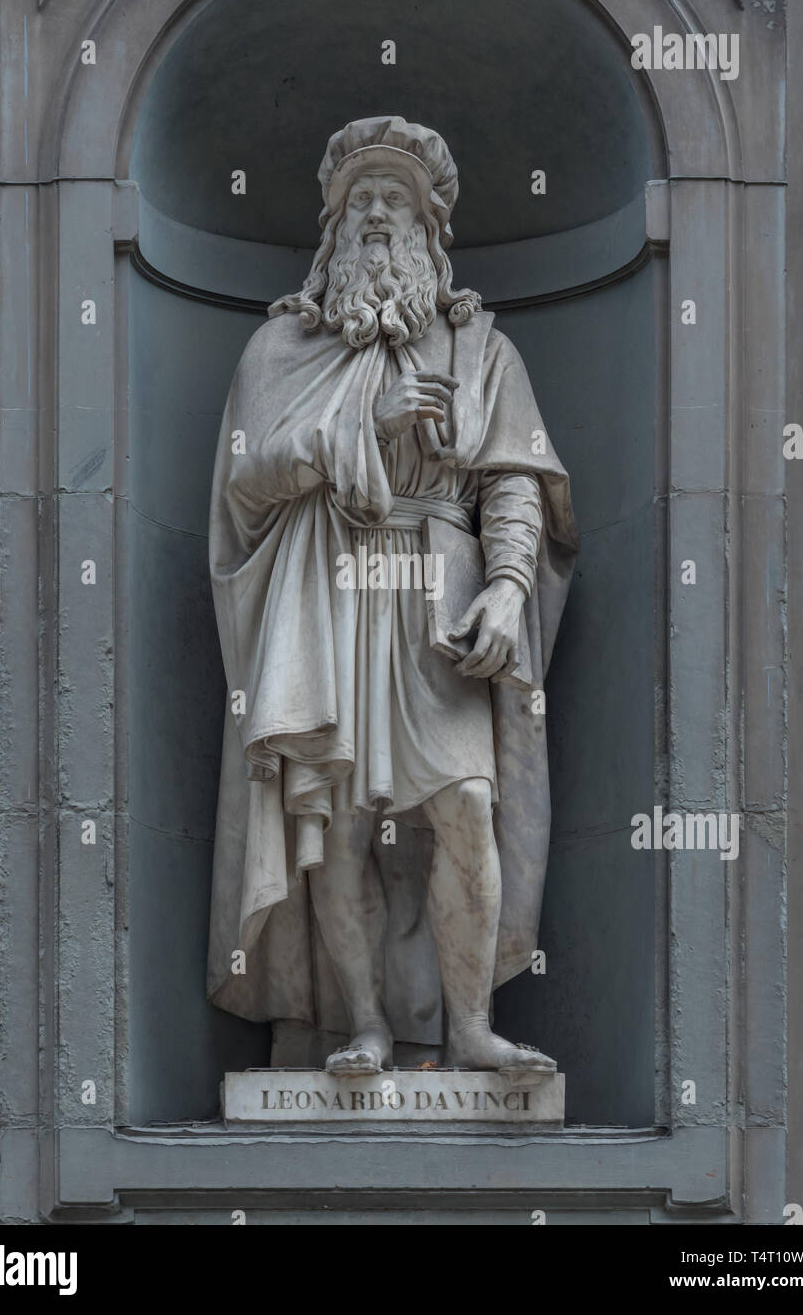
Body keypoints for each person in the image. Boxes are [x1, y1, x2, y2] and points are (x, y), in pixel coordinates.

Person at [208, 117, 578, 1084]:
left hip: (437, 588)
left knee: (463, 802)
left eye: (396, 203)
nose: (377, 219)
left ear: (429, 232)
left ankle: (468, 1027)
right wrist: (355, 432)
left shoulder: (478, 346)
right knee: (330, 815)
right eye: (359, 204)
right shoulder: (284, 345)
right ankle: (363, 1025)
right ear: (331, 236)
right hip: (328, 588)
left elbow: (514, 479)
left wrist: (505, 586)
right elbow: (246, 479)